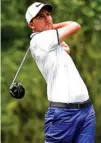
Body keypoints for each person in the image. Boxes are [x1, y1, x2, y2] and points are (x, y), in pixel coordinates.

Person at [25, 2, 96, 143]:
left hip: (86, 111)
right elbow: (75, 25)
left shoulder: (50, 40)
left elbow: (66, 48)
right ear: (31, 25)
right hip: (63, 114)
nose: (47, 18)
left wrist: (49, 27)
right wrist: (52, 27)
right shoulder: (40, 40)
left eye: (48, 15)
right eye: (40, 17)